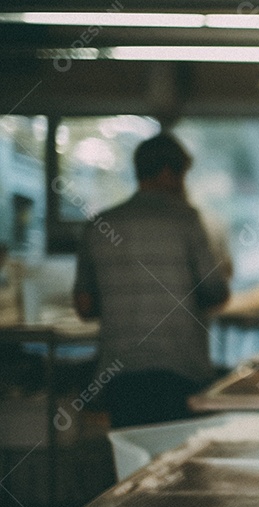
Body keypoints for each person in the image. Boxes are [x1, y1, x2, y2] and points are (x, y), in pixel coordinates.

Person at [74, 133, 230, 428]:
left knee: (134, 459)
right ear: (167, 173)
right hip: (181, 370)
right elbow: (215, 293)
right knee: (175, 463)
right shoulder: (186, 220)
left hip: (120, 374)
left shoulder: (98, 225)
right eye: (182, 175)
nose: (183, 184)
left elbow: (84, 307)